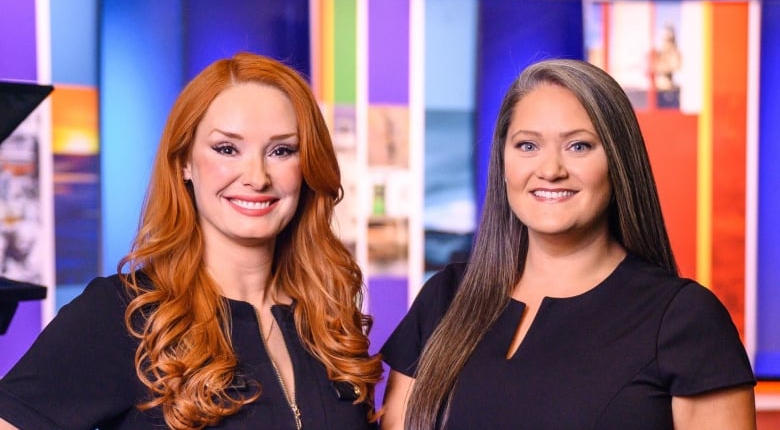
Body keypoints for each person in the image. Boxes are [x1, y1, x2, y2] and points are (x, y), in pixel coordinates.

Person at [0, 52, 383, 429]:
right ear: (184, 162)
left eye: (281, 151)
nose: (257, 176)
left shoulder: (330, 319)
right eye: (227, 149)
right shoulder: (124, 314)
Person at [379, 58, 756, 430]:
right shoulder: (444, 301)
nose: (550, 170)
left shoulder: (684, 320)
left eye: (578, 146)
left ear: (619, 161)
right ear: (503, 161)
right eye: (528, 146)